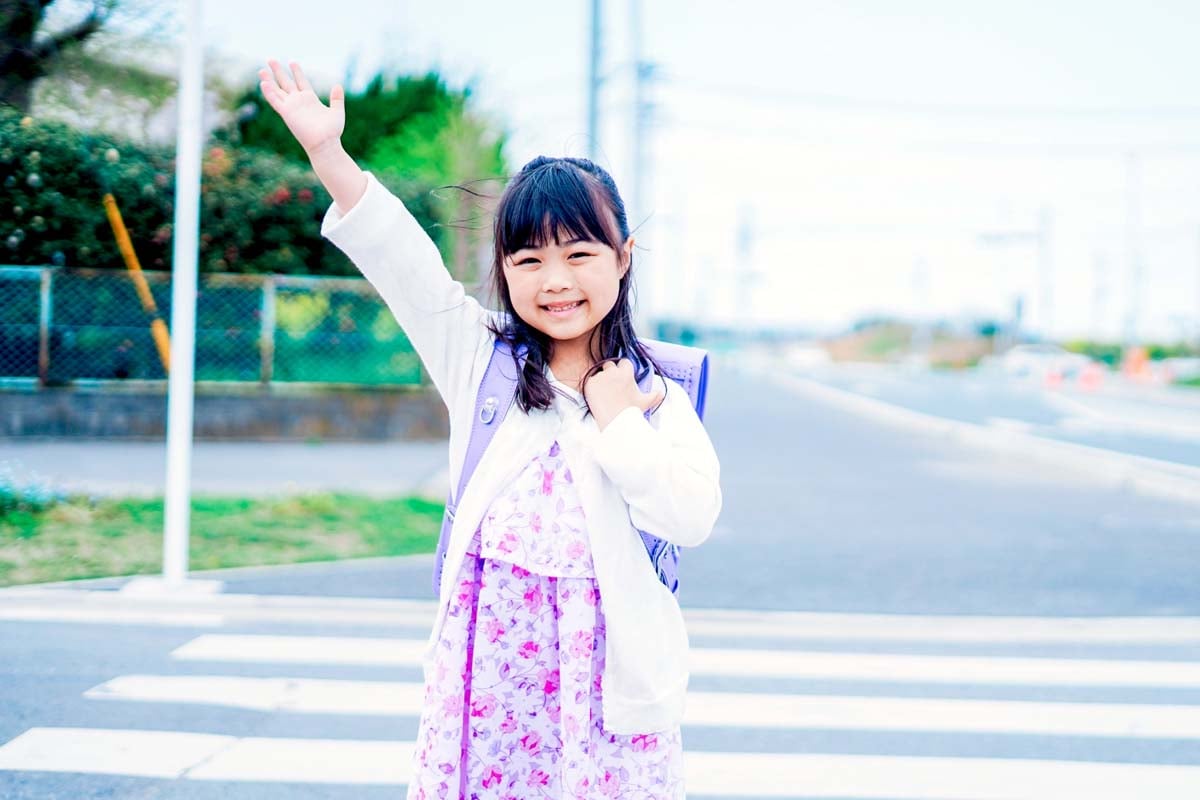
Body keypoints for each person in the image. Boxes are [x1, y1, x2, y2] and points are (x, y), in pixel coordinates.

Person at [259, 59, 722, 800]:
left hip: (605, 689)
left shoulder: (656, 396)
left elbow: (691, 518)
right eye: (530, 259)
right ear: (504, 271)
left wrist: (622, 423)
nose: (556, 280)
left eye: (579, 255)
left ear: (623, 258)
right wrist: (327, 155)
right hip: (488, 681)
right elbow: (402, 261)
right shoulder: (484, 363)